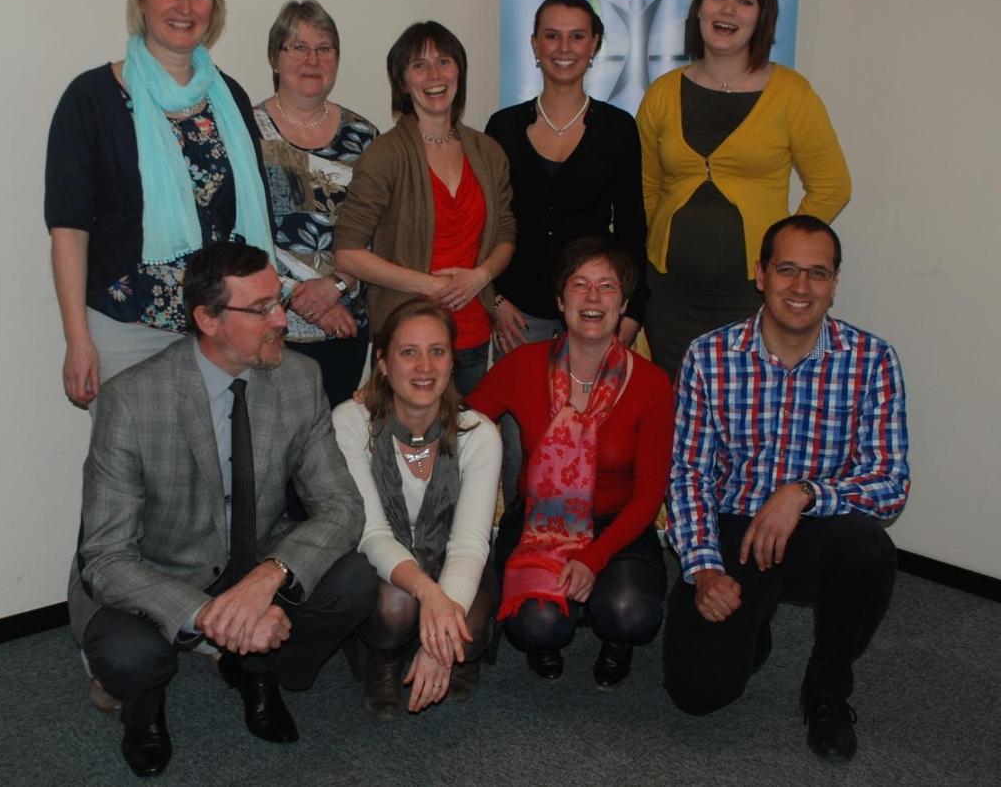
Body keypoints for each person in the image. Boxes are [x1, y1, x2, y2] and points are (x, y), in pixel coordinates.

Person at [68, 242, 376, 777]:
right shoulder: (131, 400)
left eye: (277, 301)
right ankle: (144, 713)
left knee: (354, 582)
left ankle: (256, 667)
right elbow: (106, 556)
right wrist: (210, 615)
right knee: (129, 656)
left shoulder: (299, 380)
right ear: (208, 319)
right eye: (261, 310)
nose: (282, 318)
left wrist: (269, 576)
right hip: (157, 568)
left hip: (252, 554)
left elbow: (342, 506)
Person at [664, 215, 909, 761]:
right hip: (733, 529)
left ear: (835, 283)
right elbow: (688, 475)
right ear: (761, 274)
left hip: (819, 532)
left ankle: (826, 690)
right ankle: (754, 625)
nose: (801, 287)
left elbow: (890, 482)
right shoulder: (710, 355)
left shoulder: (872, 361)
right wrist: (704, 569)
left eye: (818, 273)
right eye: (788, 270)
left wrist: (804, 493)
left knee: (870, 552)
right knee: (698, 693)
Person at [45, 0, 273, 411]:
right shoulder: (90, 100)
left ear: (215, 5)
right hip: (126, 330)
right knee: (137, 478)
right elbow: (68, 231)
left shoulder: (229, 98)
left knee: (223, 475)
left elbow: (254, 226)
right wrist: (77, 339)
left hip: (222, 329)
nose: (184, 6)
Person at [466, 238, 673, 688]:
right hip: (540, 520)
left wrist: (594, 557)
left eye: (606, 286)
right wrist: (390, 405)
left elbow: (649, 492)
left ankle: (612, 635)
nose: (593, 297)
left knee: (630, 614)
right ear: (561, 302)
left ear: (623, 304)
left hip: (618, 526)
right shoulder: (522, 365)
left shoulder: (652, 385)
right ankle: (551, 633)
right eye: (579, 286)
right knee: (535, 626)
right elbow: (460, 424)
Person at [636, 0, 850, 380]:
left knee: (745, 415)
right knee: (672, 415)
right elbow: (646, 187)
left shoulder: (792, 93)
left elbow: (832, 186)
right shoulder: (661, 93)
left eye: (745, 0)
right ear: (698, 9)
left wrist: (784, 259)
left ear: (762, 15)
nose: (727, 9)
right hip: (669, 296)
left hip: (749, 297)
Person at [486, 0, 648, 506]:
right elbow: (487, 227)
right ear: (534, 45)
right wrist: (494, 300)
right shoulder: (502, 127)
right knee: (518, 444)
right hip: (520, 313)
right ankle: (518, 541)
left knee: (593, 442)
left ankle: (585, 550)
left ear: (594, 44)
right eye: (551, 35)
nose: (564, 47)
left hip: (595, 313)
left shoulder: (619, 129)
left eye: (577, 35)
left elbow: (633, 229)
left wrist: (632, 313)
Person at [333, 298, 500, 720]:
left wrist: (439, 638)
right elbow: (371, 534)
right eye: (409, 352)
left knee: (469, 627)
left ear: (452, 362)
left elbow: (468, 545)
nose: (425, 367)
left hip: (449, 555)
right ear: (384, 363)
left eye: (437, 351)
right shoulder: (351, 422)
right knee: (396, 608)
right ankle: (384, 658)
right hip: (380, 559)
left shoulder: (478, 433)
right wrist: (429, 595)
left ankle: (455, 652)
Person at [334, 21, 515, 395]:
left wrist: (480, 276)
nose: (434, 75)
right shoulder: (385, 154)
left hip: (472, 336)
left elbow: (505, 235)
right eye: (419, 65)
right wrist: (430, 286)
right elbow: (347, 253)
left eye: (444, 61)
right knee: (402, 450)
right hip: (407, 342)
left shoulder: (488, 152)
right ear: (402, 82)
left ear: (459, 72)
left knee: (463, 448)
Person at [254, 0, 378, 407]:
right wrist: (305, 302)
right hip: (267, 326)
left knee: (331, 454)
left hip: (345, 330)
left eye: (324, 48)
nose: (312, 59)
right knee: (272, 461)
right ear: (275, 57)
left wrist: (337, 287)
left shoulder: (365, 137)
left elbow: (379, 234)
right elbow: (237, 234)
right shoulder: (245, 132)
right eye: (298, 47)